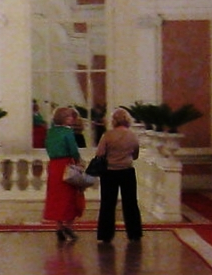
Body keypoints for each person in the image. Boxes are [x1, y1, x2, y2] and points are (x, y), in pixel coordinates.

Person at [95, 105, 143, 244]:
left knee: (108, 204)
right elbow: (135, 154)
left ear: (113, 120)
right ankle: (134, 233)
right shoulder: (132, 135)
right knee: (130, 203)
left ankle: (105, 234)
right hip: (127, 171)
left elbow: (100, 153)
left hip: (109, 172)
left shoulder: (107, 135)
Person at [41, 105, 86, 244]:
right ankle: (69, 226)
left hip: (54, 165)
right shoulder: (67, 132)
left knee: (56, 197)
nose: (72, 119)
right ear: (63, 118)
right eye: (69, 116)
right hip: (66, 165)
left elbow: (48, 147)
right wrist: (78, 161)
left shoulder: (50, 132)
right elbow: (73, 150)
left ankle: (59, 227)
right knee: (70, 196)